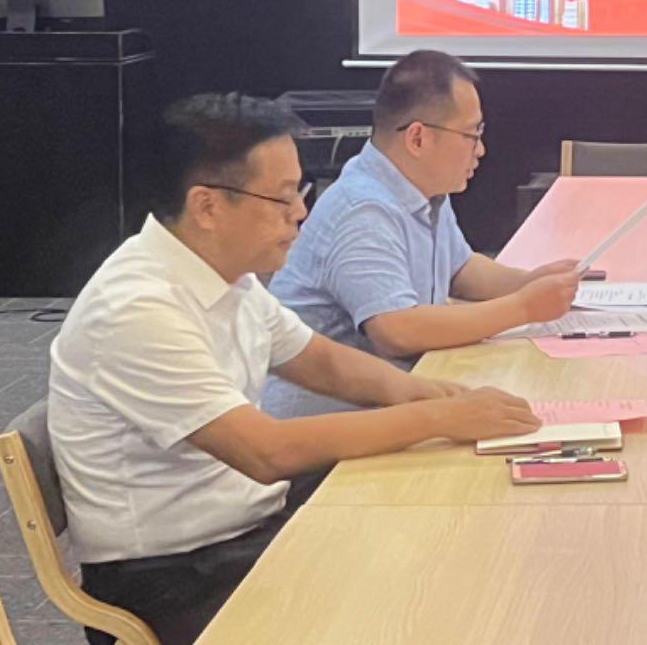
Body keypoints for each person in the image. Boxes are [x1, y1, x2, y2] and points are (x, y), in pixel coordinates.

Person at [48, 94, 541, 645]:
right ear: (207, 206)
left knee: (431, 540)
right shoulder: (136, 308)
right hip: (173, 576)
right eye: (282, 198)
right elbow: (267, 452)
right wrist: (439, 419)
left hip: (241, 529)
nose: (300, 212)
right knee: (411, 596)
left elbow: (323, 362)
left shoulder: (225, 273)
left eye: (299, 192)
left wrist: (429, 394)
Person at [264, 50, 580, 418]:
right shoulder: (362, 209)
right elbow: (398, 331)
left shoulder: (424, 189)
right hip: (326, 432)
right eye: (471, 134)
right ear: (417, 138)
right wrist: (524, 306)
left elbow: (460, 270)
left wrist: (530, 282)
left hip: (391, 405)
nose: (480, 150)